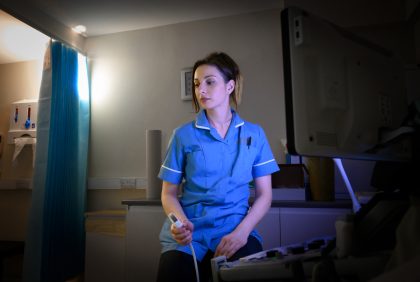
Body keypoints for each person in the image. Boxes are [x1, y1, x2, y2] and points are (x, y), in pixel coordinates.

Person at [156, 52, 279, 282]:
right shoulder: (183, 135)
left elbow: (265, 195)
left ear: (230, 86)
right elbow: (168, 193)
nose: (200, 89)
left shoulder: (255, 134)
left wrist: (241, 234)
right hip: (190, 234)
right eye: (196, 84)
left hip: (236, 229)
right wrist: (180, 224)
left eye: (209, 82)